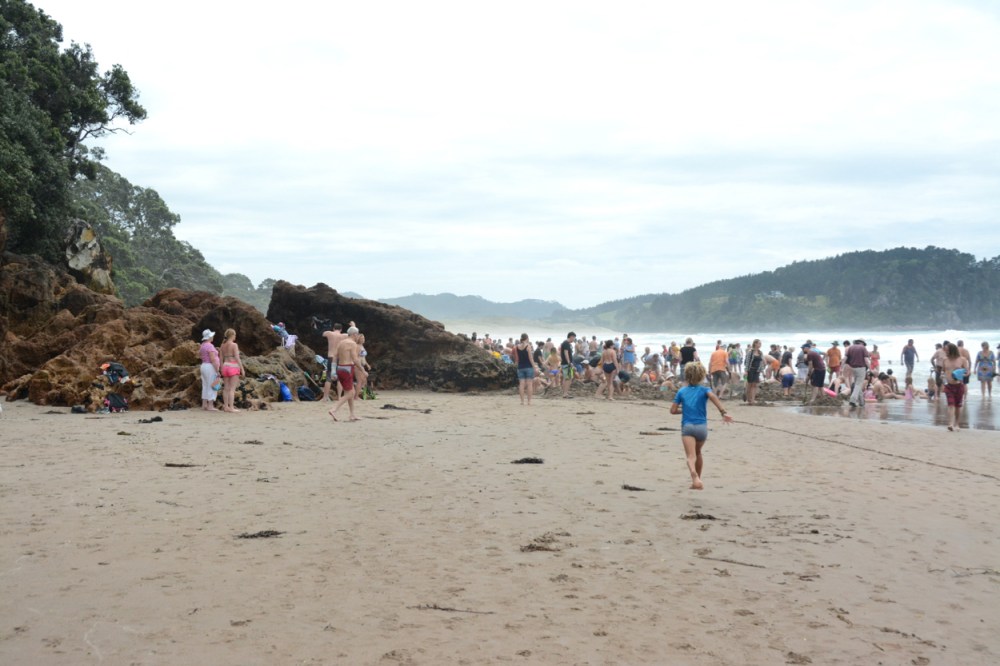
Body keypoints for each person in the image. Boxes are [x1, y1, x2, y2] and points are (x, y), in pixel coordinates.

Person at [670, 362, 733, 490]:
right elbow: (713, 397)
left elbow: (672, 411)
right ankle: (697, 479)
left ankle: (694, 476)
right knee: (698, 453)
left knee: (690, 456)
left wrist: (684, 410)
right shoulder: (705, 390)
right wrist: (723, 412)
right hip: (702, 429)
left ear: (686, 376)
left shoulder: (681, 391)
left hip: (688, 427)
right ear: (701, 376)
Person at [329, 327, 361, 422]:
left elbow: (334, 356)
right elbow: (355, 359)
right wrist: (362, 370)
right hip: (347, 368)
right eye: (357, 334)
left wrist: (333, 371)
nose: (358, 336)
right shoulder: (352, 344)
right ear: (354, 334)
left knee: (350, 392)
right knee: (351, 393)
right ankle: (334, 409)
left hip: (340, 368)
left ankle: (352, 415)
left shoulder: (341, 343)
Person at [940, 342, 970, 431]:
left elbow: (967, 372)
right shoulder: (945, 360)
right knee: (950, 404)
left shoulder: (962, 360)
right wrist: (942, 377)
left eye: (947, 350)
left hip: (959, 386)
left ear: (952, 350)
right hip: (948, 386)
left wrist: (964, 375)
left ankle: (957, 424)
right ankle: (950, 424)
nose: (946, 352)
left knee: (957, 406)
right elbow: (943, 371)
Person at [218, 328, 244, 413]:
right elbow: (237, 358)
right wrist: (242, 369)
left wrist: (221, 369)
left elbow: (221, 358)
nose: (235, 336)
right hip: (233, 366)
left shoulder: (222, 345)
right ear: (232, 335)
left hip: (225, 366)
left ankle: (226, 407)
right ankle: (231, 407)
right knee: (232, 389)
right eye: (235, 335)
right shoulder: (234, 345)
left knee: (226, 388)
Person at [321, 323, 346, 401]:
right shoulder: (344, 336)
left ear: (333, 328)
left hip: (331, 357)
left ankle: (325, 397)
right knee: (340, 378)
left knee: (328, 377)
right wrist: (353, 325)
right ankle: (339, 397)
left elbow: (323, 334)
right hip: (340, 358)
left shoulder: (330, 333)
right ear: (341, 329)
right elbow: (354, 334)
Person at [843, 339, 871, 408]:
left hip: (853, 368)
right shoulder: (862, 348)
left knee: (857, 384)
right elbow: (866, 360)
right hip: (861, 368)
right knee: (858, 385)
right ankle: (852, 400)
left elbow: (845, 358)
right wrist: (870, 369)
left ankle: (861, 402)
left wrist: (841, 367)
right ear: (862, 343)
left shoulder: (851, 347)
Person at [198, 329, 221, 411]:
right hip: (210, 366)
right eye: (212, 336)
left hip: (203, 365)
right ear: (209, 337)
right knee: (212, 384)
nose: (213, 337)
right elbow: (212, 359)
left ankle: (204, 404)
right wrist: (217, 370)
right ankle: (210, 405)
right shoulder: (210, 346)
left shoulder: (203, 345)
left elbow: (200, 355)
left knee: (205, 385)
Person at [514, 333, 536, 405]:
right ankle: (529, 401)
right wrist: (535, 367)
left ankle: (522, 401)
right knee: (529, 384)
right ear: (527, 338)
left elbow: (517, 358)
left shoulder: (517, 347)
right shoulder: (528, 346)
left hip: (520, 367)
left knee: (521, 384)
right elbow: (531, 358)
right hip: (529, 367)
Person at [744, 339, 766, 404]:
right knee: (749, 385)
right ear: (755, 344)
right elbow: (747, 362)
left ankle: (753, 400)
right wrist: (746, 371)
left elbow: (761, 363)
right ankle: (749, 399)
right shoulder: (750, 352)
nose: (760, 345)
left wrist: (763, 372)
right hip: (750, 369)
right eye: (759, 343)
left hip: (757, 370)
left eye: (760, 343)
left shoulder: (760, 352)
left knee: (755, 385)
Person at [560, 332, 577, 398]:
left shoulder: (565, 343)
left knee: (566, 378)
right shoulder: (566, 343)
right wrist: (569, 363)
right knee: (569, 378)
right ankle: (565, 393)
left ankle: (565, 393)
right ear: (571, 336)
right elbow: (566, 353)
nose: (574, 339)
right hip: (567, 363)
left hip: (565, 363)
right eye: (574, 337)